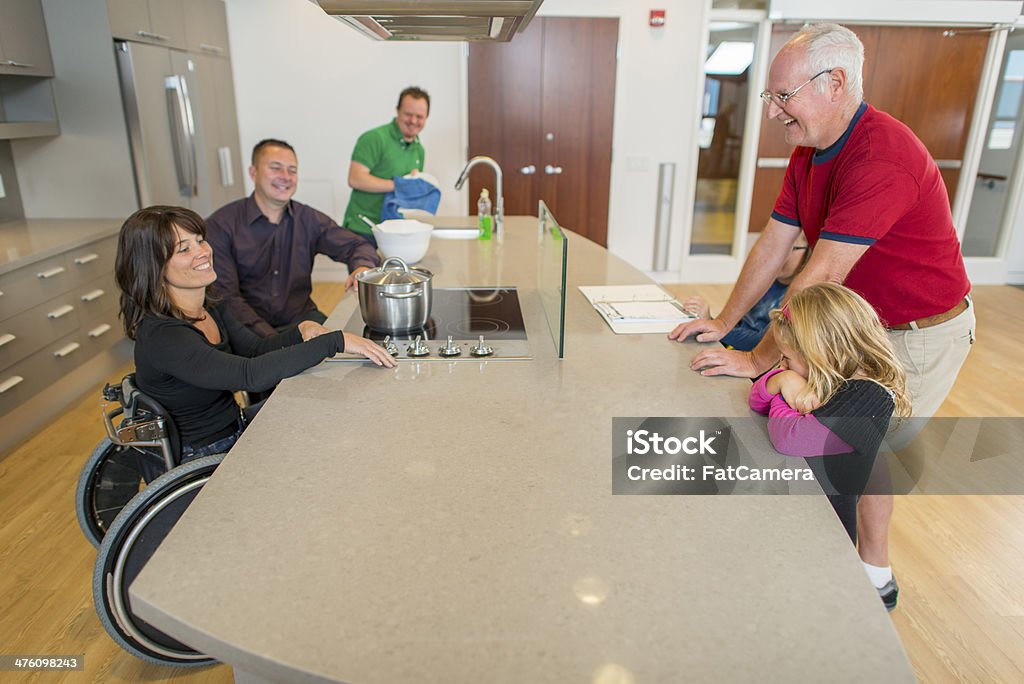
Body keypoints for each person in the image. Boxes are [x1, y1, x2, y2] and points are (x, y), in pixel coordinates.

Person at [669, 23, 975, 611]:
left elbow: (821, 276)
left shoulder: (881, 155)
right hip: (857, 323)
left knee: (868, 449)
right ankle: (819, 564)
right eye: (771, 97)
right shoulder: (810, 152)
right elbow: (773, 245)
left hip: (916, 333)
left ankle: (874, 575)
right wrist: (729, 323)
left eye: (784, 96)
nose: (775, 111)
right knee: (821, 440)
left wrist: (756, 357)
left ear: (835, 83)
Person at [115, 206, 396, 462]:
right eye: (183, 249)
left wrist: (301, 332)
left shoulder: (210, 306)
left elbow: (256, 351)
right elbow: (249, 375)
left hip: (232, 427)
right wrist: (335, 341)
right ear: (154, 267)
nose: (203, 252)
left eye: (200, 240)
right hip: (203, 453)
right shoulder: (164, 336)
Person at [748, 284, 911, 543]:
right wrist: (784, 380)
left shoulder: (869, 397)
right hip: (793, 510)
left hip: (825, 530)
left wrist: (782, 394)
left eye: (787, 359)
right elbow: (756, 399)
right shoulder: (821, 376)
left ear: (822, 354)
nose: (781, 365)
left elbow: (792, 439)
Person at [206, 139, 380, 338]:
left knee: (353, 350)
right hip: (247, 330)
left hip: (302, 320)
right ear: (253, 173)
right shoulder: (221, 225)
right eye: (276, 168)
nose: (286, 177)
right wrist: (277, 343)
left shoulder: (307, 218)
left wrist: (362, 267)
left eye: (292, 170)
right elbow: (226, 298)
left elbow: (357, 245)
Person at [681, 235, 809, 352]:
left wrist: (711, 323)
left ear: (809, 252)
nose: (781, 256)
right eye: (778, 248)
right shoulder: (759, 282)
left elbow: (764, 344)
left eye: (792, 248)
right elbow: (739, 324)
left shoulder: (800, 299)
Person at [342, 86, 431, 242]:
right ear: (397, 111)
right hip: (363, 229)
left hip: (394, 230)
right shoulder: (375, 138)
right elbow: (355, 178)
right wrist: (398, 185)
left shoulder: (418, 149)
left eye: (419, 116)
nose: (413, 121)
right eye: (408, 114)